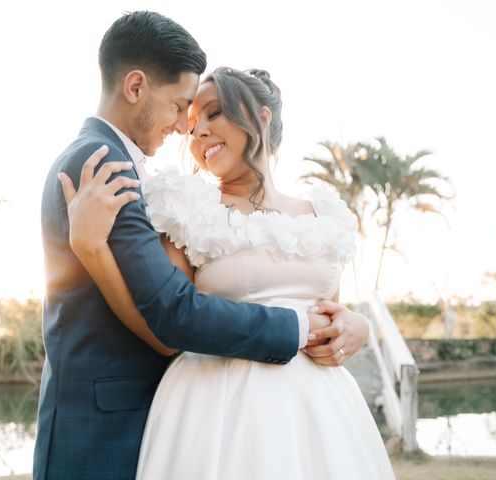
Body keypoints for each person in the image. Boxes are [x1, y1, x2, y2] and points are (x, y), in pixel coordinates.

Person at [37, 10, 370, 480]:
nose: (186, 130)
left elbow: (328, 309)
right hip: (175, 414)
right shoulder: (108, 168)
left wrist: (356, 325)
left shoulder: (320, 212)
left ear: (260, 118)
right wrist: (89, 248)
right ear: (136, 87)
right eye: (182, 110)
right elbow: (170, 316)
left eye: (208, 113)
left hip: (316, 410)